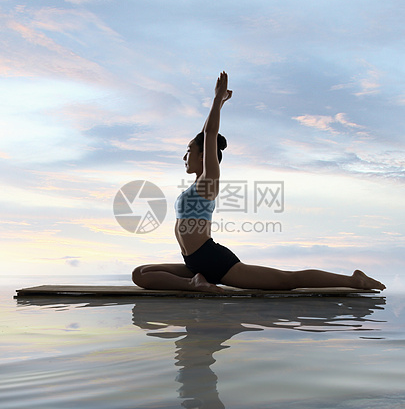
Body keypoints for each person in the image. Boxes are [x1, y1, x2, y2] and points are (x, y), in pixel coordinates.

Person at [132, 72, 385, 293]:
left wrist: (217, 101)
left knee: (287, 280)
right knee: (140, 273)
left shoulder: (209, 181)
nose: (184, 156)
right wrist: (217, 106)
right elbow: (204, 135)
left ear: (202, 156)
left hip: (214, 261)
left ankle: (354, 280)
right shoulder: (195, 184)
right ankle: (195, 283)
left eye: (189, 151)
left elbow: (208, 136)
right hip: (194, 263)